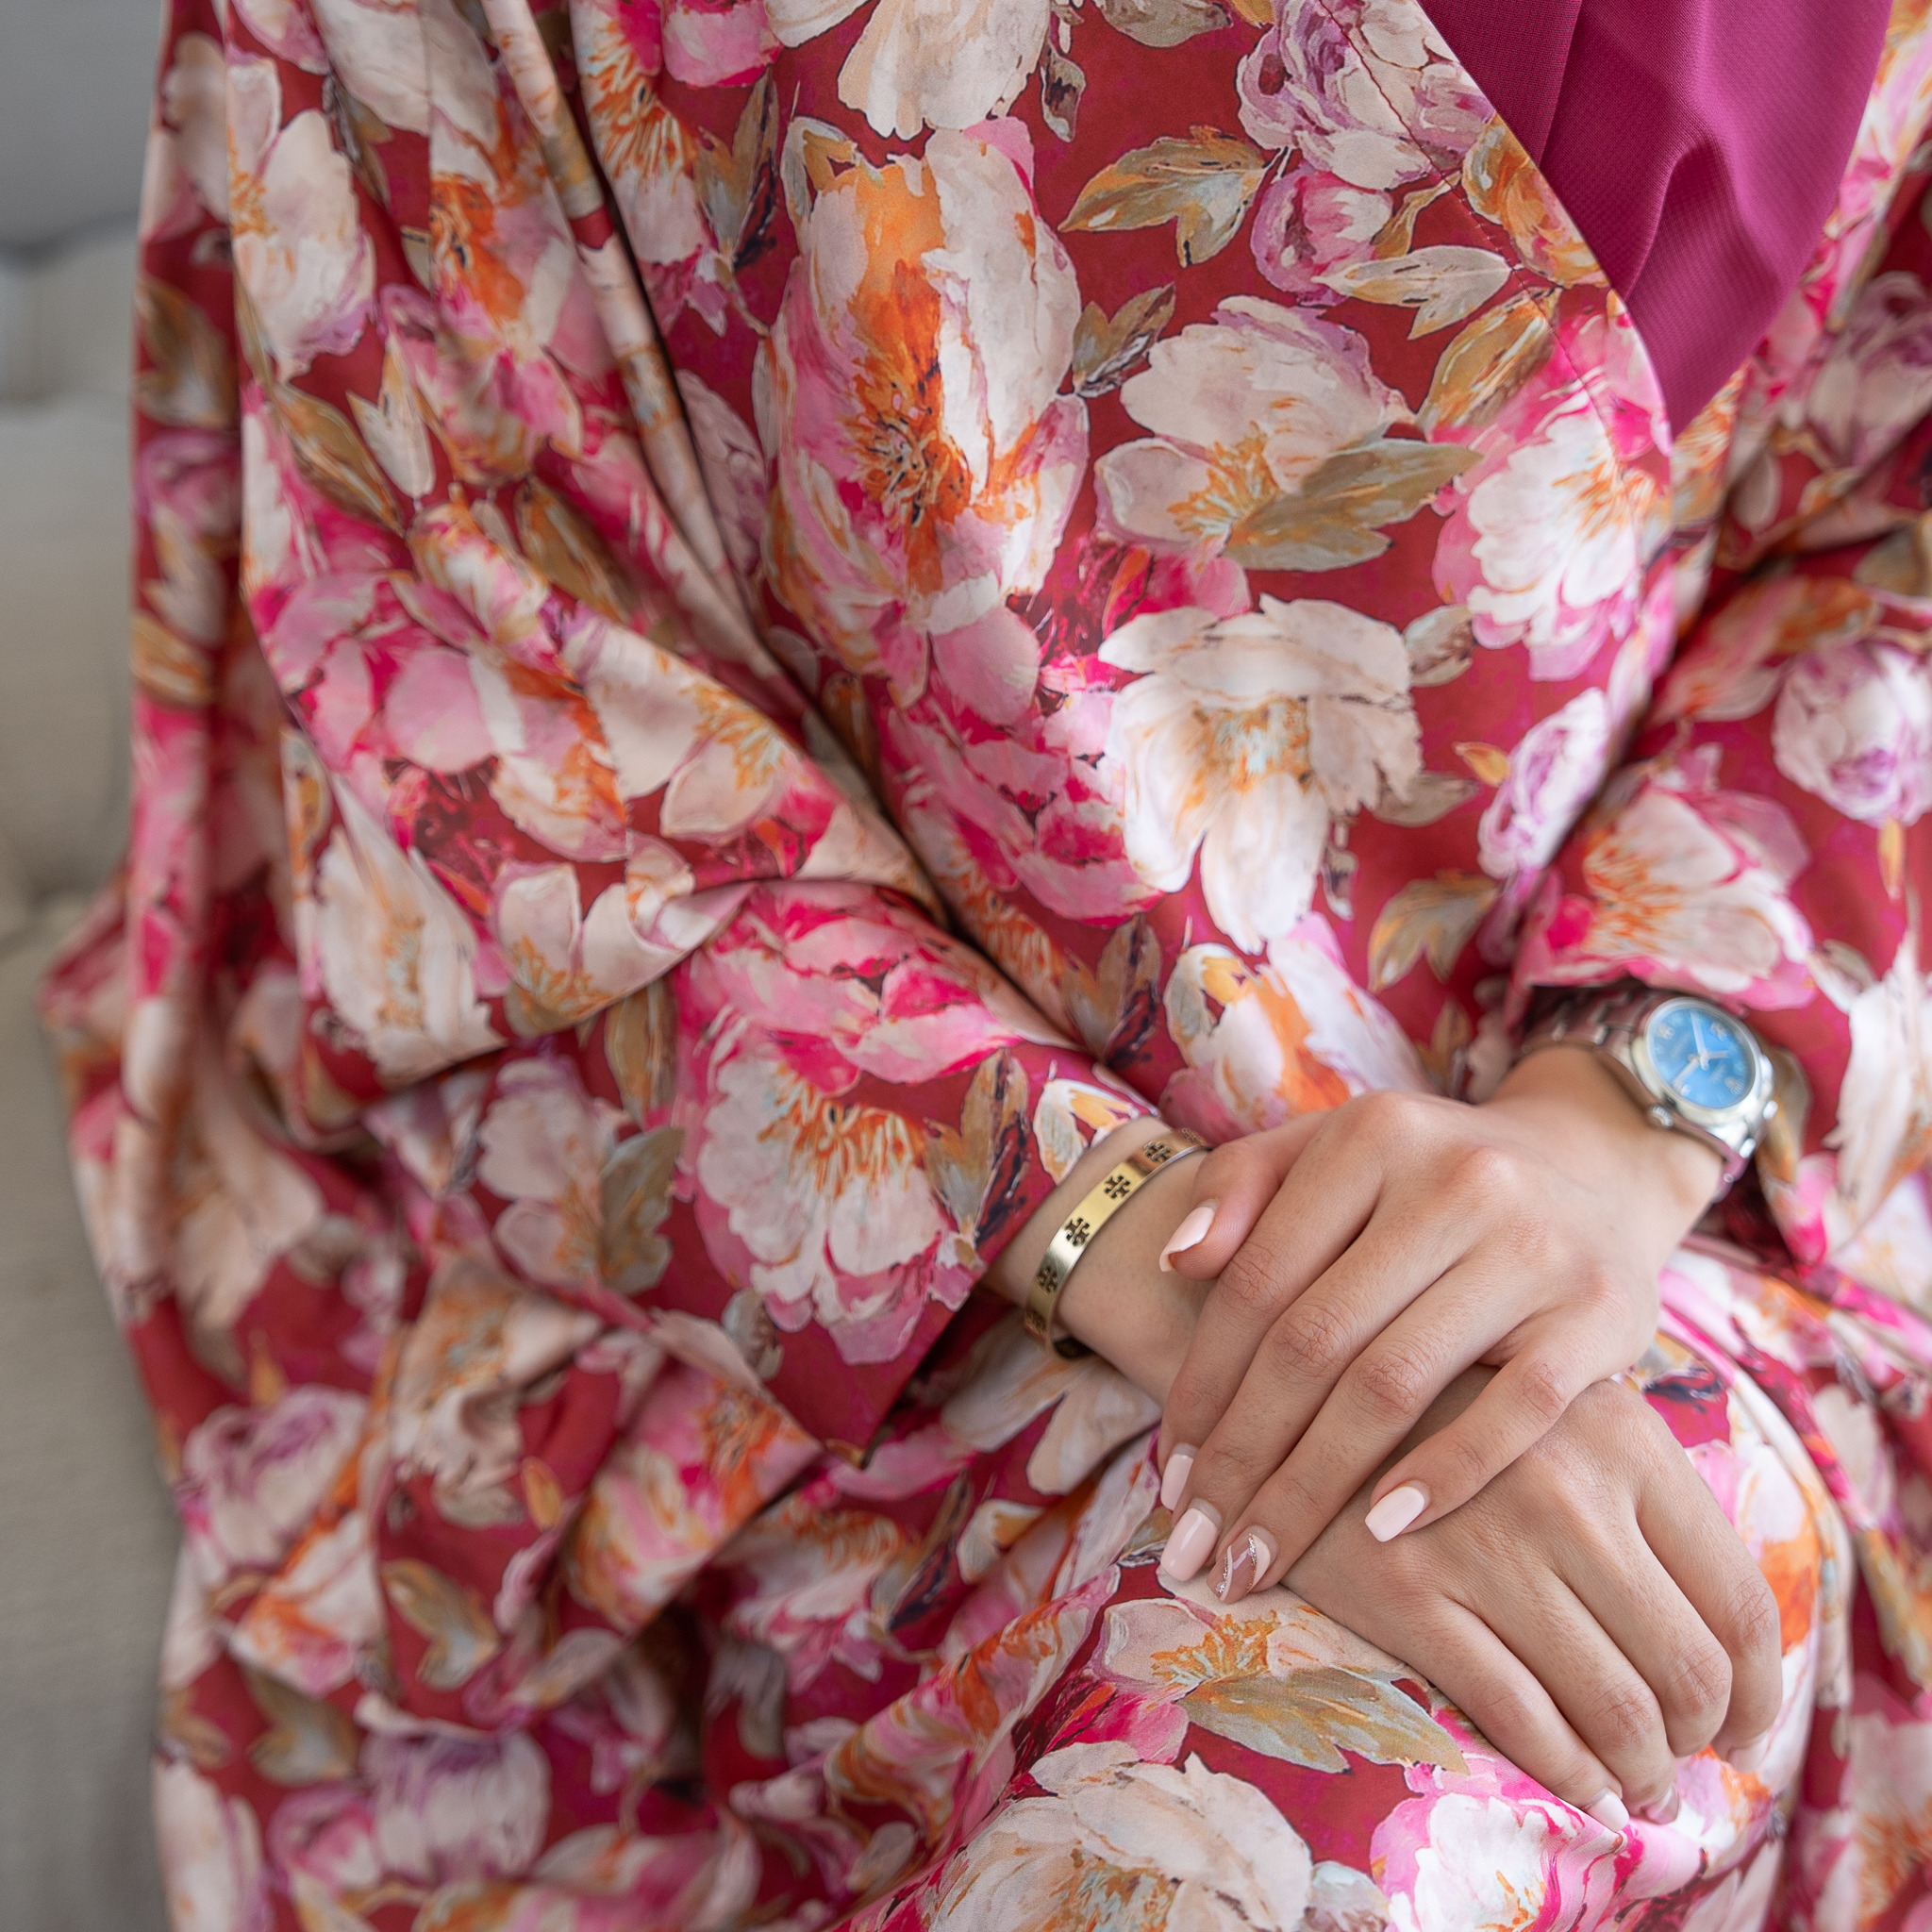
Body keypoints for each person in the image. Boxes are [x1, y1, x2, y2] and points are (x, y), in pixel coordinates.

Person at [39, 0, 1932, 1924]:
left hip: (1649, 1161)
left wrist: (1617, 1125)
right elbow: (485, 737)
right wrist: (1233, 1305)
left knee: (1534, 1702)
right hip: (859, 1252)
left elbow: (1881, 538)